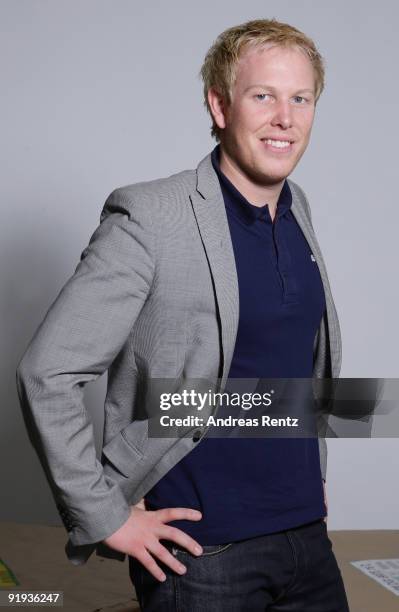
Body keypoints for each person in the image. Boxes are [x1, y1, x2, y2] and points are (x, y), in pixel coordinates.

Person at [16, 17, 350, 612]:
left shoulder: (299, 208)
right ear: (219, 106)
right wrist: (104, 515)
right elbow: (48, 372)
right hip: (204, 557)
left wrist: (315, 480)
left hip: (306, 537)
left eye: (301, 98)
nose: (286, 117)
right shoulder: (151, 216)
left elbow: (298, 371)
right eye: (263, 96)